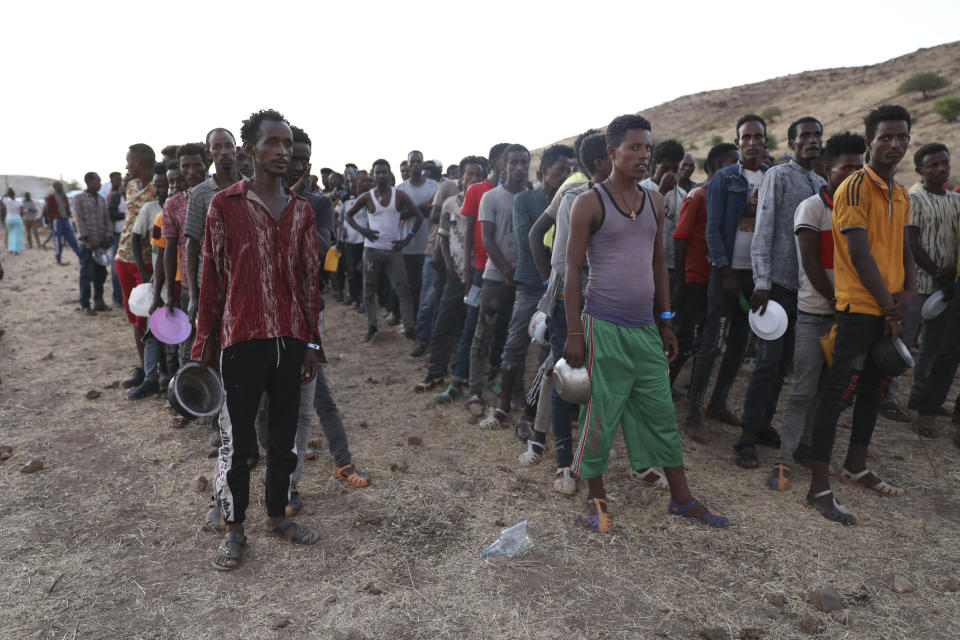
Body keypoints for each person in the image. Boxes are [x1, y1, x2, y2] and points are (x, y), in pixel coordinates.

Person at [563, 114, 729, 533]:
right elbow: (571, 271)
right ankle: (596, 501)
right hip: (602, 326)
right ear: (611, 153)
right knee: (599, 416)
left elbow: (659, 264)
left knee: (660, 413)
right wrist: (573, 333)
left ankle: (682, 498)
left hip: (645, 329)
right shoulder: (589, 202)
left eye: (647, 148)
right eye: (634, 147)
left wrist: (667, 321)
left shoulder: (655, 201)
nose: (643, 155)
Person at [193, 109, 322, 570]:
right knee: (238, 442)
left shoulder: (302, 210)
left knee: (285, 437)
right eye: (273, 143)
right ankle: (235, 529)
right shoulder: (224, 205)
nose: (283, 152)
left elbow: (310, 283)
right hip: (240, 337)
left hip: (289, 338)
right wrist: (205, 340)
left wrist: (311, 342)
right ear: (250, 150)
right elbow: (211, 278)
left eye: (288, 145)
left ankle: (277, 516)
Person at [806, 105, 915, 525]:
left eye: (902, 137)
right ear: (869, 141)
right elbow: (858, 251)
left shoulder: (901, 194)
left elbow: (904, 250)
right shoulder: (853, 188)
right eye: (886, 137)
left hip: (888, 308)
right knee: (837, 395)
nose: (895, 145)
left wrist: (908, 293)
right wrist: (889, 302)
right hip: (857, 310)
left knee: (874, 389)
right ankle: (818, 487)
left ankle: (856, 467)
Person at [766, 132, 865, 492]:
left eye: (860, 168)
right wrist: (842, 305)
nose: (855, 175)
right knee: (804, 389)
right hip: (816, 313)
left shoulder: (862, 208)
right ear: (827, 169)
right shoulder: (813, 207)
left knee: (831, 391)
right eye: (847, 168)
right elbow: (809, 262)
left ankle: (810, 448)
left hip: (852, 315)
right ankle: (784, 458)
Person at [519, 133, 612, 495]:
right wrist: (551, 285)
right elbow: (545, 242)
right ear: (604, 159)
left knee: (596, 380)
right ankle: (563, 463)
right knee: (564, 377)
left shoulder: (631, 196)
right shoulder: (573, 195)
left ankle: (586, 458)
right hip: (568, 300)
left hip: (607, 304)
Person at [735, 117, 826, 469]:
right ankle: (745, 437)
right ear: (791, 144)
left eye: (817, 135)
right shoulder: (778, 176)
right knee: (767, 363)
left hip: (806, 290)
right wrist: (762, 281)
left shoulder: (820, 183)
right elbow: (764, 229)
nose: (812, 140)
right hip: (776, 287)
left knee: (785, 363)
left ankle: (762, 425)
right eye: (805, 135)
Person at [684, 115, 768, 440]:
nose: (751, 142)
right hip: (726, 274)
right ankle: (694, 412)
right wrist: (724, 270)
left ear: (764, 141)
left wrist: (765, 279)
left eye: (757, 137)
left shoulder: (770, 178)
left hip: (756, 275)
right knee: (711, 342)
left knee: (739, 343)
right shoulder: (724, 179)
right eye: (745, 137)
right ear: (738, 142)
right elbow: (712, 229)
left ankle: (717, 403)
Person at [480, 144, 574, 429]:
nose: (566, 175)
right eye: (561, 170)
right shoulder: (526, 200)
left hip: (557, 287)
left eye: (570, 171)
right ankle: (503, 407)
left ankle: (532, 414)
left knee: (547, 355)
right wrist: (550, 279)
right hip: (533, 284)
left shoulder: (573, 200)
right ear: (544, 171)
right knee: (515, 345)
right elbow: (525, 242)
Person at [890, 143, 960, 420]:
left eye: (944, 163)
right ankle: (887, 396)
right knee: (903, 342)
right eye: (933, 165)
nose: (941, 168)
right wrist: (938, 272)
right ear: (920, 170)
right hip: (918, 283)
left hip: (945, 287)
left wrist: (949, 274)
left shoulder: (956, 201)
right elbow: (911, 242)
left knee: (934, 344)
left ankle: (920, 394)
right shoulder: (914, 198)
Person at [465, 144, 531, 416]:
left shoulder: (532, 198)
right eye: (513, 162)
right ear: (502, 165)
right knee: (483, 334)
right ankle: (474, 391)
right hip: (495, 276)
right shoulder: (491, 198)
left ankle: (515, 391)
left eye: (523, 163)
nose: (519, 168)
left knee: (518, 338)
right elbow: (487, 240)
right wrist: (508, 271)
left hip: (524, 280)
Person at [670, 143, 740, 394]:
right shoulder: (699, 195)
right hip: (694, 279)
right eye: (732, 163)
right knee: (683, 339)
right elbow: (680, 237)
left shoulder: (729, 198)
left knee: (701, 340)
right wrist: (680, 282)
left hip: (715, 279)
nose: (737, 169)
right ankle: (661, 388)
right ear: (713, 167)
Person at [415, 156, 487, 391]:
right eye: (469, 174)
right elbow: (443, 237)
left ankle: (464, 372)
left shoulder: (486, 202)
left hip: (480, 277)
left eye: (478, 175)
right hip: (455, 276)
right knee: (443, 323)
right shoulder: (449, 203)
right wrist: (448, 267)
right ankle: (435, 372)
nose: (473, 179)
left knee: (471, 327)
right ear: (460, 177)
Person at [345, 158, 422, 341]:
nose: (380, 175)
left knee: (403, 288)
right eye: (377, 172)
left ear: (390, 174)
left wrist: (406, 240)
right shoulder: (367, 196)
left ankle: (410, 327)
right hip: (371, 250)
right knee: (369, 290)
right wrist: (362, 230)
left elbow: (418, 216)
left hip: (393, 251)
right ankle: (372, 326)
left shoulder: (399, 195)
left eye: (384, 172)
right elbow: (348, 215)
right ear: (373, 174)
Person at [183, 128, 242, 325]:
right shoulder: (199, 193)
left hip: (246, 280)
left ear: (237, 150)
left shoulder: (253, 188)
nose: (224, 152)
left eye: (228, 146)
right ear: (209, 153)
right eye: (217, 147)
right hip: (209, 283)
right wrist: (193, 295)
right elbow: (191, 244)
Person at [160, 143, 209, 375]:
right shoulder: (173, 204)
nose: (191, 172)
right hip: (191, 288)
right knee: (189, 345)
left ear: (207, 165)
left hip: (223, 284)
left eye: (196, 165)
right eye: (185, 167)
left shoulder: (222, 196)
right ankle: (188, 398)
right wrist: (170, 292)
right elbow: (169, 250)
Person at [114, 144, 158, 391]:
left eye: (129, 161)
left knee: (155, 316)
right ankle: (144, 368)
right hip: (124, 257)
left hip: (149, 261)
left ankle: (159, 372)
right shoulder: (130, 186)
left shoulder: (159, 187)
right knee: (135, 316)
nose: (126, 165)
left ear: (140, 162)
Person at [126, 163, 168, 399]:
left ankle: (171, 379)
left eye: (167, 185)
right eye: (159, 186)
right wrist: (143, 270)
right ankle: (151, 378)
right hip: (158, 279)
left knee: (176, 333)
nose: (163, 190)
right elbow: (135, 238)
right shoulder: (152, 210)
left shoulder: (185, 207)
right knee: (153, 330)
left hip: (179, 280)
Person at [396, 150, 439, 343]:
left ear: (423, 164)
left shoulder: (434, 186)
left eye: (418, 161)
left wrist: (416, 208)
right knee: (411, 287)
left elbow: (435, 211)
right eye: (412, 161)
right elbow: (399, 213)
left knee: (429, 290)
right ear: (407, 163)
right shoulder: (401, 188)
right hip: (408, 246)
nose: (415, 165)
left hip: (429, 246)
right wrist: (423, 207)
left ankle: (427, 329)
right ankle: (412, 326)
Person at [640, 140, 687, 286]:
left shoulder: (682, 195)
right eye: (665, 168)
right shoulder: (640, 189)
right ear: (654, 164)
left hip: (672, 267)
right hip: (645, 267)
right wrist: (661, 191)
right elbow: (639, 223)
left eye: (675, 168)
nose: (670, 173)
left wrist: (680, 280)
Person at [71, 173, 112, 315]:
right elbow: (79, 220)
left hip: (101, 245)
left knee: (100, 274)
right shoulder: (78, 199)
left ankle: (99, 301)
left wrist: (108, 236)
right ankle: (85, 304)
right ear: (88, 182)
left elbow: (107, 219)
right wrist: (89, 238)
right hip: (87, 245)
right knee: (86, 274)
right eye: (97, 181)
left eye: (100, 181)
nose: (99, 184)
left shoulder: (101, 199)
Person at [44, 182, 81, 265]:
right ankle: (58, 260)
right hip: (56, 220)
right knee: (58, 240)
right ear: (55, 187)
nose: (60, 187)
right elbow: (48, 209)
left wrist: (68, 215)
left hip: (65, 219)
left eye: (61, 186)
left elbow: (67, 207)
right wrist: (50, 221)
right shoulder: (52, 197)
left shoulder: (64, 196)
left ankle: (80, 257)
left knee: (72, 239)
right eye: (58, 186)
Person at [107, 172, 126, 305]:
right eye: (118, 180)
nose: (120, 182)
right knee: (116, 267)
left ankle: (119, 297)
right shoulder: (114, 195)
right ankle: (117, 297)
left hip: (122, 234)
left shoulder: (119, 195)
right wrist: (128, 213)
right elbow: (111, 214)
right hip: (117, 235)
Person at [2, 189, 23, 254]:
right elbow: (22, 211)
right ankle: (17, 250)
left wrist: (5, 195)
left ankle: (11, 249)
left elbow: (0, 199)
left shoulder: (7, 201)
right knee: (18, 235)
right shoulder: (19, 202)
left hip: (9, 219)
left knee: (11, 234)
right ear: (15, 195)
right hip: (17, 219)